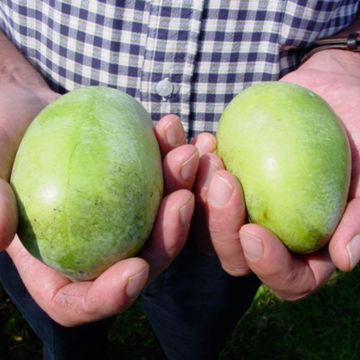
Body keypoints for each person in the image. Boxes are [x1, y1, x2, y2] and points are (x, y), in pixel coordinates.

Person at [0, 1, 360, 359]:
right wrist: (6, 75)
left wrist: (350, 58)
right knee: (63, 332)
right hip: (33, 120)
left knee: (194, 331)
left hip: (228, 208)